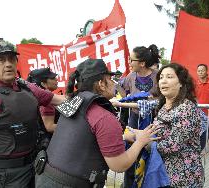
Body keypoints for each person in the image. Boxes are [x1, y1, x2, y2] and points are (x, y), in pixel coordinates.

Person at [36, 58, 159, 188]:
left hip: (45, 179)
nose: (114, 83)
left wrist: (127, 135)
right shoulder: (103, 117)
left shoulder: (73, 104)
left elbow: (85, 137)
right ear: (101, 84)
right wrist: (141, 141)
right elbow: (119, 164)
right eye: (111, 79)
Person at [0, 41, 66, 188]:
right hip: (8, 174)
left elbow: (58, 100)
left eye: (11, 59)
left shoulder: (26, 87)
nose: (8, 64)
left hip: (37, 164)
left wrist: (89, 101)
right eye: (1, 60)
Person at [116, 44, 160, 187]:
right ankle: (129, 184)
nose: (129, 63)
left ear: (142, 63)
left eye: (131, 60)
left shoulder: (157, 76)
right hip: (134, 119)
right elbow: (125, 94)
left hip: (151, 120)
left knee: (149, 151)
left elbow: (162, 98)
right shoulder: (130, 76)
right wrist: (118, 90)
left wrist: (152, 100)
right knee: (131, 151)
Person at [153, 63, 203, 187]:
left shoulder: (186, 107)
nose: (163, 81)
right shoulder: (163, 106)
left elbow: (174, 144)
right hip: (164, 172)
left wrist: (147, 144)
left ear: (181, 83)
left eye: (169, 77)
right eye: (161, 77)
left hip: (184, 175)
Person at [27, 67, 60, 150]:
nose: (56, 80)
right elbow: (49, 127)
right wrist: (71, 126)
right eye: (52, 78)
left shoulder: (32, 96)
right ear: (43, 84)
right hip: (50, 145)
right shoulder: (47, 101)